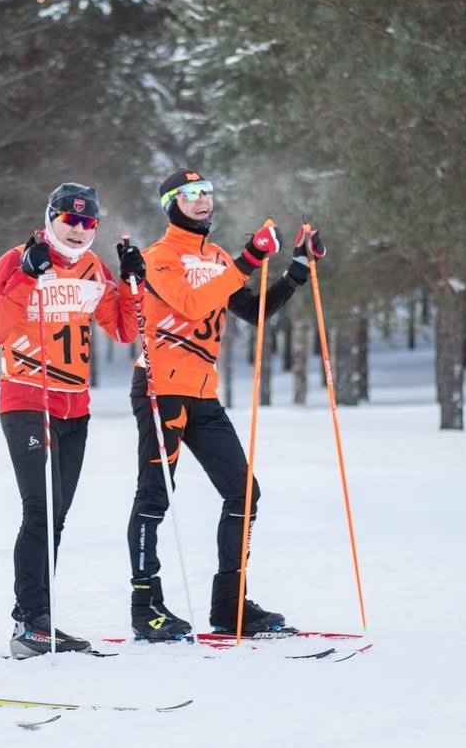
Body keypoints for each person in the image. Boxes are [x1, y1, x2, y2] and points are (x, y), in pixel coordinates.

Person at [126, 169, 326, 641]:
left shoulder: (217, 257)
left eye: (207, 193)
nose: (202, 201)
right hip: (160, 387)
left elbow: (253, 312)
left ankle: (230, 607)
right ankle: (145, 607)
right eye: (191, 194)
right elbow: (191, 304)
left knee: (244, 492)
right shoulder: (160, 256)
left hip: (202, 393)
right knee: (155, 495)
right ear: (172, 204)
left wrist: (297, 268)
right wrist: (252, 255)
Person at [0, 182, 142, 658]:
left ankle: (40, 620)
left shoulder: (95, 268)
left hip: (75, 406)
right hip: (28, 399)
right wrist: (26, 277)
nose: (78, 229)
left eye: (88, 222)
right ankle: (29, 624)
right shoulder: (17, 259)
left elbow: (125, 330)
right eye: (69, 219)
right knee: (41, 508)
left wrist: (133, 283)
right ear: (50, 217)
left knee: (57, 516)